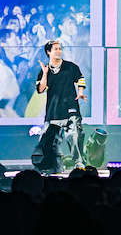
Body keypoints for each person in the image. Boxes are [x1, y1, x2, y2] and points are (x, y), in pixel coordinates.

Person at [34, 40, 87, 171]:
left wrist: (80, 92)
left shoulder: (70, 67)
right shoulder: (44, 71)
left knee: (73, 137)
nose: (59, 51)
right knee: (47, 139)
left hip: (70, 108)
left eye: (60, 48)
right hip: (53, 110)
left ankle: (79, 164)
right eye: (55, 49)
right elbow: (41, 89)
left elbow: (80, 79)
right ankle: (48, 165)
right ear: (48, 52)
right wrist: (45, 73)